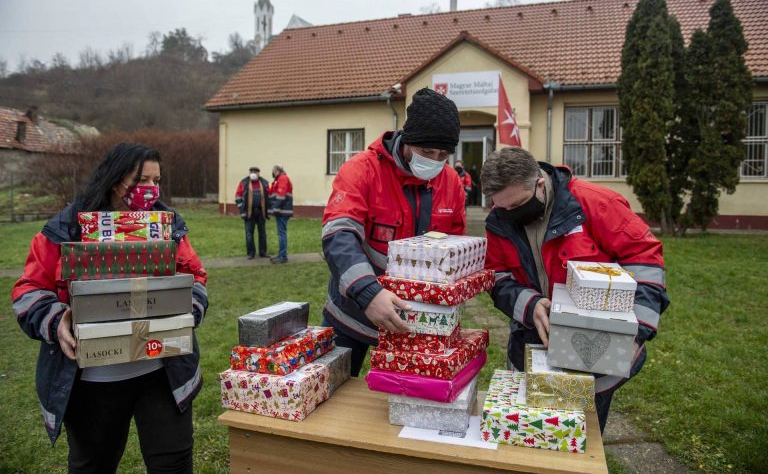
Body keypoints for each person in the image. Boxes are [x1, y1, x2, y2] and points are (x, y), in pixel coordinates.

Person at [11, 143, 209, 473]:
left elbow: (195, 275)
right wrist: (56, 320)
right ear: (115, 180)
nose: (151, 189)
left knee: (173, 462)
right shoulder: (66, 228)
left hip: (161, 372)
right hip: (92, 381)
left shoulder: (167, 225)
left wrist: (187, 307)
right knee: (93, 465)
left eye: (156, 181)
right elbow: (28, 290)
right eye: (141, 180)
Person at [481, 147, 669, 433]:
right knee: (535, 434)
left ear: (539, 185)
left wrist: (637, 331)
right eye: (500, 207)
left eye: (516, 205)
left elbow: (645, 260)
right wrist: (529, 305)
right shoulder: (499, 220)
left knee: (584, 437)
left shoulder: (594, 204)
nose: (508, 214)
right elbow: (497, 275)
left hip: (599, 350)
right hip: (533, 343)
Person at [322, 88, 467, 376]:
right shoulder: (362, 170)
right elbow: (339, 235)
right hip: (354, 313)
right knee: (334, 396)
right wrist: (368, 293)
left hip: (418, 320)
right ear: (407, 140)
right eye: (427, 152)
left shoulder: (450, 182)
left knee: (409, 405)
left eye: (444, 154)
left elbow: (455, 247)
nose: (435, 161)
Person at [235, 166, 270, 259]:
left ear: (259, 173)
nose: (253, 173)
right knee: (249, 234)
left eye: (255, 171)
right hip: (249, 212)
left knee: (262, 233)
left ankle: (263, 252)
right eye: (252, 171)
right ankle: (251, 253)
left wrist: (268, 210)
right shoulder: (244, 182)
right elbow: (238, 196)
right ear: (249, 173)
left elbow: (268, 196)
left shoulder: (264, 183)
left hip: (261, 212)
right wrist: (241, 208)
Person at [267, 164, 293, 264]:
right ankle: (281, 254)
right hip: (281, 211)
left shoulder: (282, 178)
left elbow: (281, 195)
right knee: (281, 233)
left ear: (277, 171)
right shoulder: (279, 179)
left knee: (282, 234)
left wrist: (275, 209)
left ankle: (282, 256)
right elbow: (273, 193)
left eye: (273, 171)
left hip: (282, 211)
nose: (272, 173)